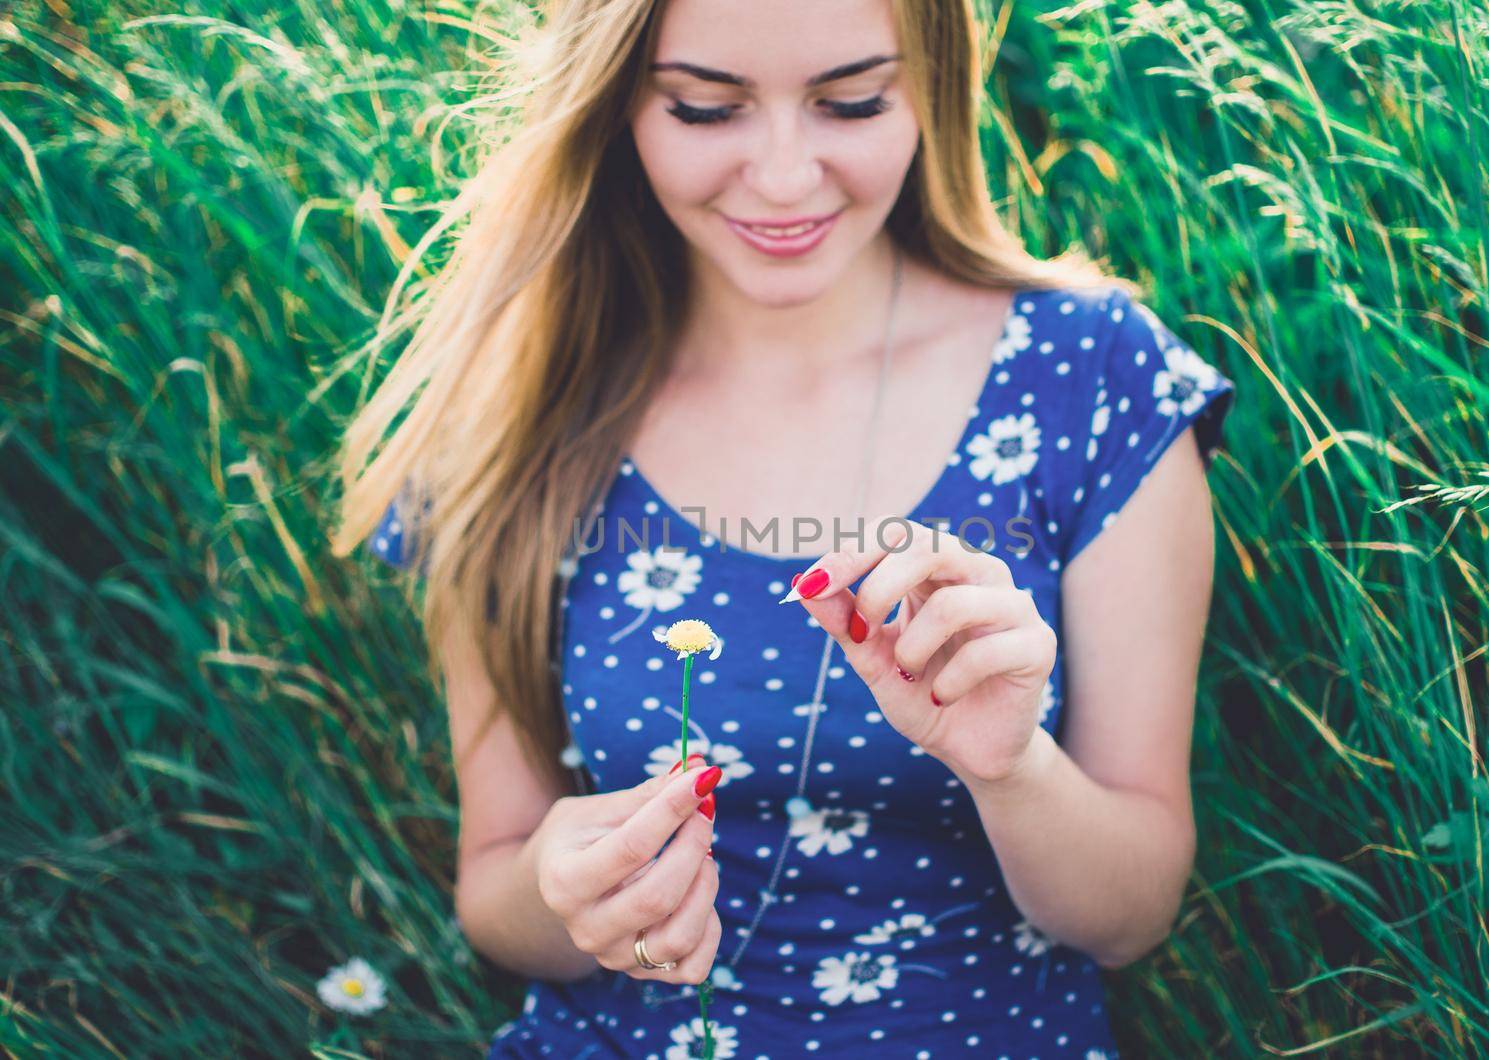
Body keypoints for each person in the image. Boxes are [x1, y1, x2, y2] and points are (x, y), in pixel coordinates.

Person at [335, 0, 1235, 1056]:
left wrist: (1011, 769)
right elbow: (493, 892)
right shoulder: (519, 409)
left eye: (850, 102)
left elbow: (1129, 916)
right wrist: (563, 886)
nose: (781, 176)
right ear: (617, 99)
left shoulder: (1091, 381)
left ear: (931, 86)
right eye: (705, 110)